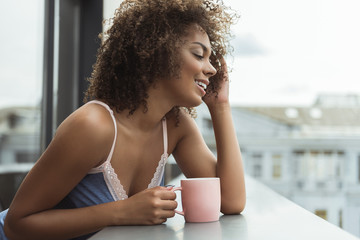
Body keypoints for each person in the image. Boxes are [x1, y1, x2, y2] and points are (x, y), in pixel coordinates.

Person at [0, 0, 246, 239]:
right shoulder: (92, 126)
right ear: (157, 54)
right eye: (198, 54)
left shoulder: (175, 126)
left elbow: (230, 201)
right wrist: (123, 212)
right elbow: (17, 225)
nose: (212, 69)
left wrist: (221, 107)